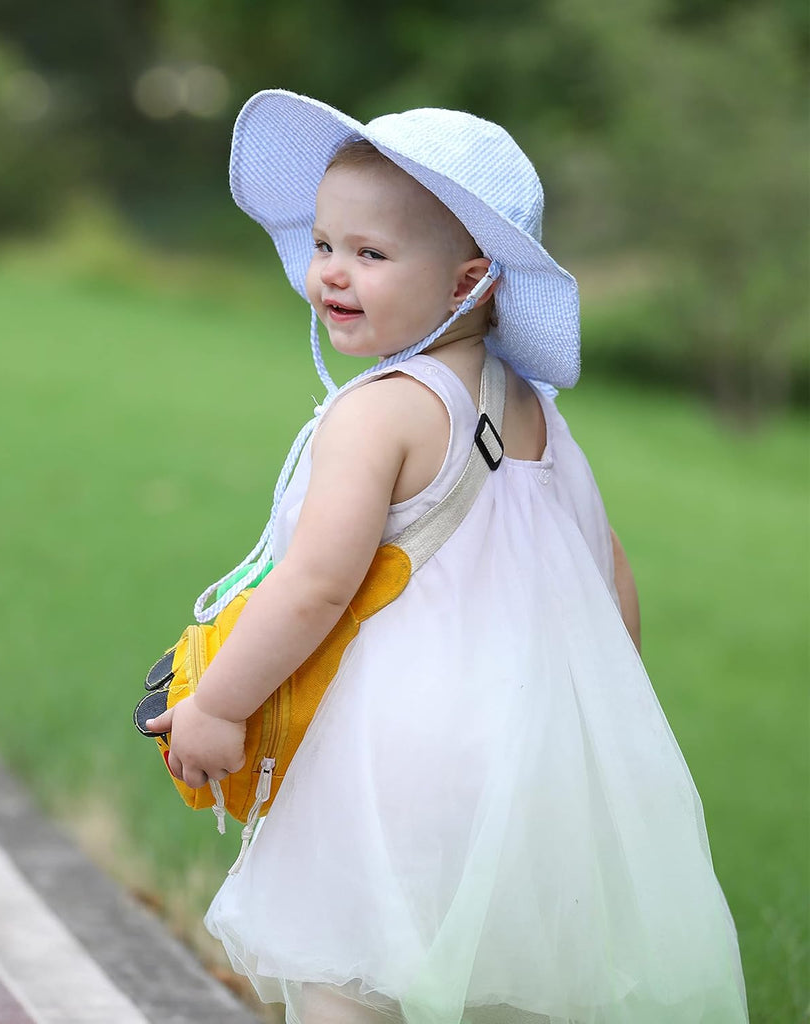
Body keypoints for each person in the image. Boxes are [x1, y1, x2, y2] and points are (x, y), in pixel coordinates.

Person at [146, 90, 748, 1024]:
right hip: (524, 770)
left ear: (471, 281)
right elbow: (608, 578)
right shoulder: (538, 416)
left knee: (350, 978)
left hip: (394, 756)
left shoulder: (378, 409)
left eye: (371, 254)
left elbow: (312, 583)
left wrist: (220, 705)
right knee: (490, 987)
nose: (331, 274)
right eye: (324, 245)